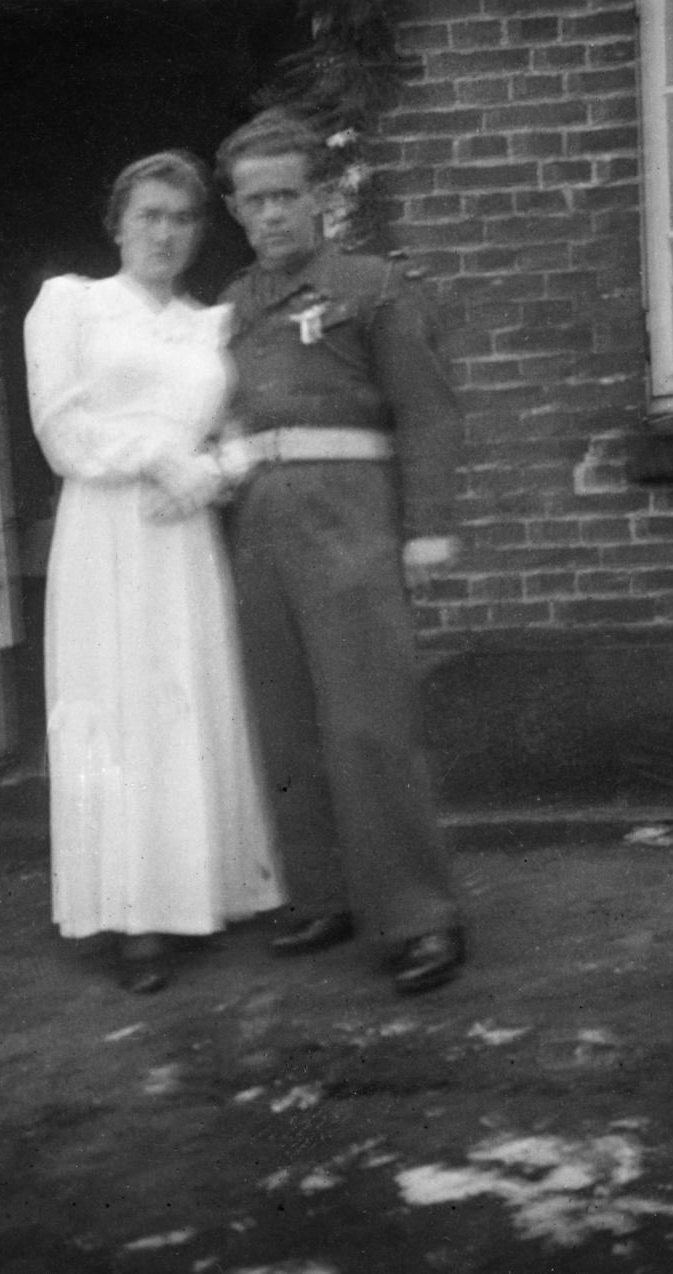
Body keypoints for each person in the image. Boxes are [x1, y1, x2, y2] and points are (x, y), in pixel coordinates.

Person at [215, 109, 466, 995]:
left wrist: (426, 526)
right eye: (255, 201)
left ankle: (420, 916)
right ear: (236, 210)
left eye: (286, 195)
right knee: (284, 720)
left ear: (318, 196)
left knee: (369, 722)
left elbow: (427, 410)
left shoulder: (372, 286)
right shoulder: (233, 307)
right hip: (259, 525)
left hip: (350, 521)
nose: (272, 214)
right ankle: (322, 895)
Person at [24, 151, 282, 993]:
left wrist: (213, 473)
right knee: (121, 706)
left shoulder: (210, 326)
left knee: (187, 703)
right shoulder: (72, 305)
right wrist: (160, 460)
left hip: (185, 536)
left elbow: (241, 431)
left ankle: (195, 895)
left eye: (182, 218)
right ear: (117, 224)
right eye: (150, 216)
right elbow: (61, 430)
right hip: (108, 530)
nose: (166, 233)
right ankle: (134, 918)